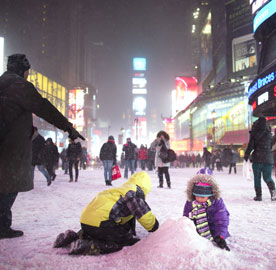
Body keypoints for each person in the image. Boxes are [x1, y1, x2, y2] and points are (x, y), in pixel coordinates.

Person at [0, 54, 84, 239]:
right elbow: (44, 108)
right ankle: (2, 225)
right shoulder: (20, 87)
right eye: (27, 70)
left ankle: (3, 224)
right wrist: (68, 127)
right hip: (11, 147)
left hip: (5, 144)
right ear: (23, 70)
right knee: (8, 185)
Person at [53, 171, 159, 255]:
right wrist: (155, 227)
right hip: (101, 224)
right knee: (123, 241)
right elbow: (143, 215)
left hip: (87, 222)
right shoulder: (133, 193)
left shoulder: (121, 189)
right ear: (146, 186)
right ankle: (88, 246)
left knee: (102, 232)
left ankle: (75, 236)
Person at [183, 169, 230, 251]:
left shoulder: (217, 203)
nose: (199, 199)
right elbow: (186, 220)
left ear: (210, 195)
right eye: (197, 196)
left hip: (214, 232)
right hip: (196, 233)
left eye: (202, 197)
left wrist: (220, 236)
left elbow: (221, 220)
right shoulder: (191, 203)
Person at [244, 117, 276, 201]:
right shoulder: (269, 135)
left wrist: (247, 155)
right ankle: (273, 192)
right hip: (268, 159)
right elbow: (271, 146)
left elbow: (250, 146)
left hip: (257, 158)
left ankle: (259, 196)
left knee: (257, 178)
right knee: (267, 177)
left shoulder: (255, 134)